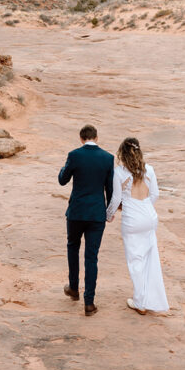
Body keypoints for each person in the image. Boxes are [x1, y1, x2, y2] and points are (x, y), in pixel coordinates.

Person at [106, 136, 169, 315]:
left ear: (122, 154)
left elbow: (116, 198)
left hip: (132, 219)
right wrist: (145, 206)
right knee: (150, 258)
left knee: (135, 260)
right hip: (149, 216)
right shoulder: (149, 169)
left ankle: (140, 302)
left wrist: (109, 214)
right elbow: (155, 194)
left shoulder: (119, 172)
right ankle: (151, 299)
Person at [58, 124, 114, 316]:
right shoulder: (108, 158)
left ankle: (74, 288)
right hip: (97, 214)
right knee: (92, 257)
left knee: (72, 247)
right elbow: (110, 190)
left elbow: (62, 180)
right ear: (96, 138)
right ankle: (89, 303)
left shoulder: (74, 155)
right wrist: (109, 212)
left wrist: (63, 167)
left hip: (76, 212)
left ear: (81, 139)